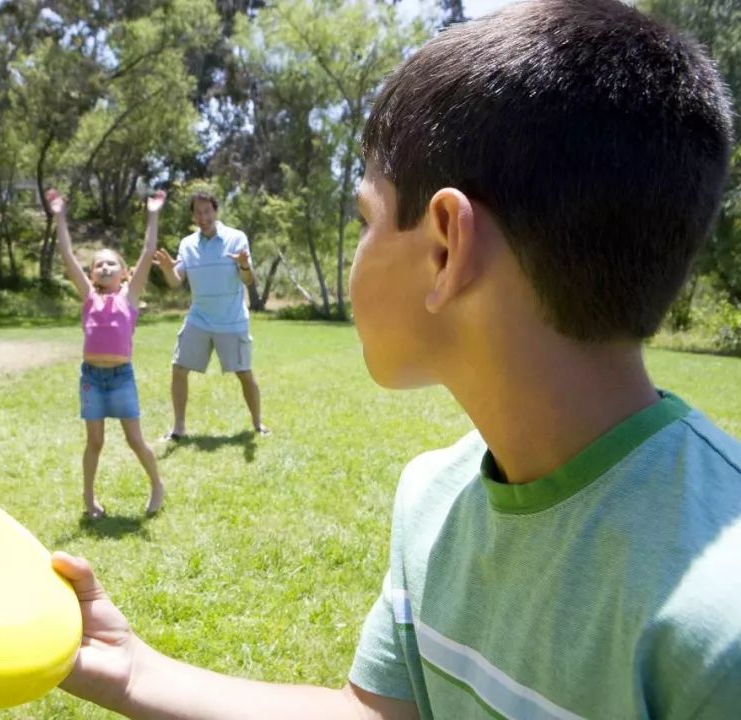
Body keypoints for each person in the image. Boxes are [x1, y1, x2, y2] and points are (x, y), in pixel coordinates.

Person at [50, 0, 741, 717]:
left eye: (364, 219)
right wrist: (136, 674)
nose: (359, 247)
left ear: (445, 247)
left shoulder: (722, 624)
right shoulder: (432, 501)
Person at [48, 188, 166, 520]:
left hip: (121, 378)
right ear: (91, 274)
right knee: (94, 442)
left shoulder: (129, 297)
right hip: (92, 379)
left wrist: (153, 214)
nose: (104, 268)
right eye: (98, 265)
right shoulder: (89, 297)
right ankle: (90, 500)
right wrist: (59, 215)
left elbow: (147, 251)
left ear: (125, 272)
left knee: (134, 439)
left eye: (112, 263)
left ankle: (157, 485)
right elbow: (67, 254)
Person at [154, 191, 269, 440]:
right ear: (193, 215)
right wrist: (166, 269)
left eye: (207, 211)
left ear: (215, 211)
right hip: (199, 319)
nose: (203, 217)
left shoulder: (236, 238)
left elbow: (248, 279)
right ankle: (178, 429)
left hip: (232, 319)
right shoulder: (187, 244)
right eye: (198, 212)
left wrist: (244, 264)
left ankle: (258, 424)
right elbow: (176, 282)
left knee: (245, 374)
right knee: (178, 368)